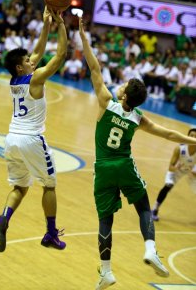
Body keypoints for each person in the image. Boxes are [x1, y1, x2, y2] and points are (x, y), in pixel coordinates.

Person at [78, 17, 196, 289]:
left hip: (103, 168)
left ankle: (106, 271)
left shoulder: (106, 102)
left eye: (123, 84)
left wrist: (84, 36)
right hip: (124, 165)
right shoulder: (139, 118)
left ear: (123, 94)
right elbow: (169, 134)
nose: (120, 85)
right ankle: (150, 248)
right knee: (143, 206)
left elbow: (93, 65)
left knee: (105, 218)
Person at [0, 6, 67, 253]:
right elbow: (59, 56)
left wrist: (46, 24)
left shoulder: (16, 80)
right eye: (27, 61)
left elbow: (37, 51)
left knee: (20, 188)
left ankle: (4, 218)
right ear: (20, 68)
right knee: (49, 185)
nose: (32, 61)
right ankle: (51, 234)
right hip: (31, 140)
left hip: (12, 139)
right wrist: (61, 25)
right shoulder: (35, 79)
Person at [152, 128, 196, 221]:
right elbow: (170, 167)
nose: (193, 138)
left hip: (190, 171)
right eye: (191, 136)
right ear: (187, 137)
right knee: (168, 185)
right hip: (177, 170)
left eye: (195, 136)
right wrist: (177, 168)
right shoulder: (179, 148)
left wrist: (192, 172)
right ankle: (155, 209)